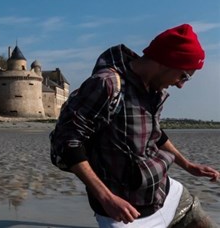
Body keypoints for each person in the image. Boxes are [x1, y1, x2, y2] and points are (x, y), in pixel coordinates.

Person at [50, 24, 219, 227]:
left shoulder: (153, 91)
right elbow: (67, 141)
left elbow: (156, 133)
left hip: (166, 193)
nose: (181, 84)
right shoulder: (107, 84)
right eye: (183, 75)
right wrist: (106, 198)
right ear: (166, 62)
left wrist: (188, 165)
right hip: (124, 213)